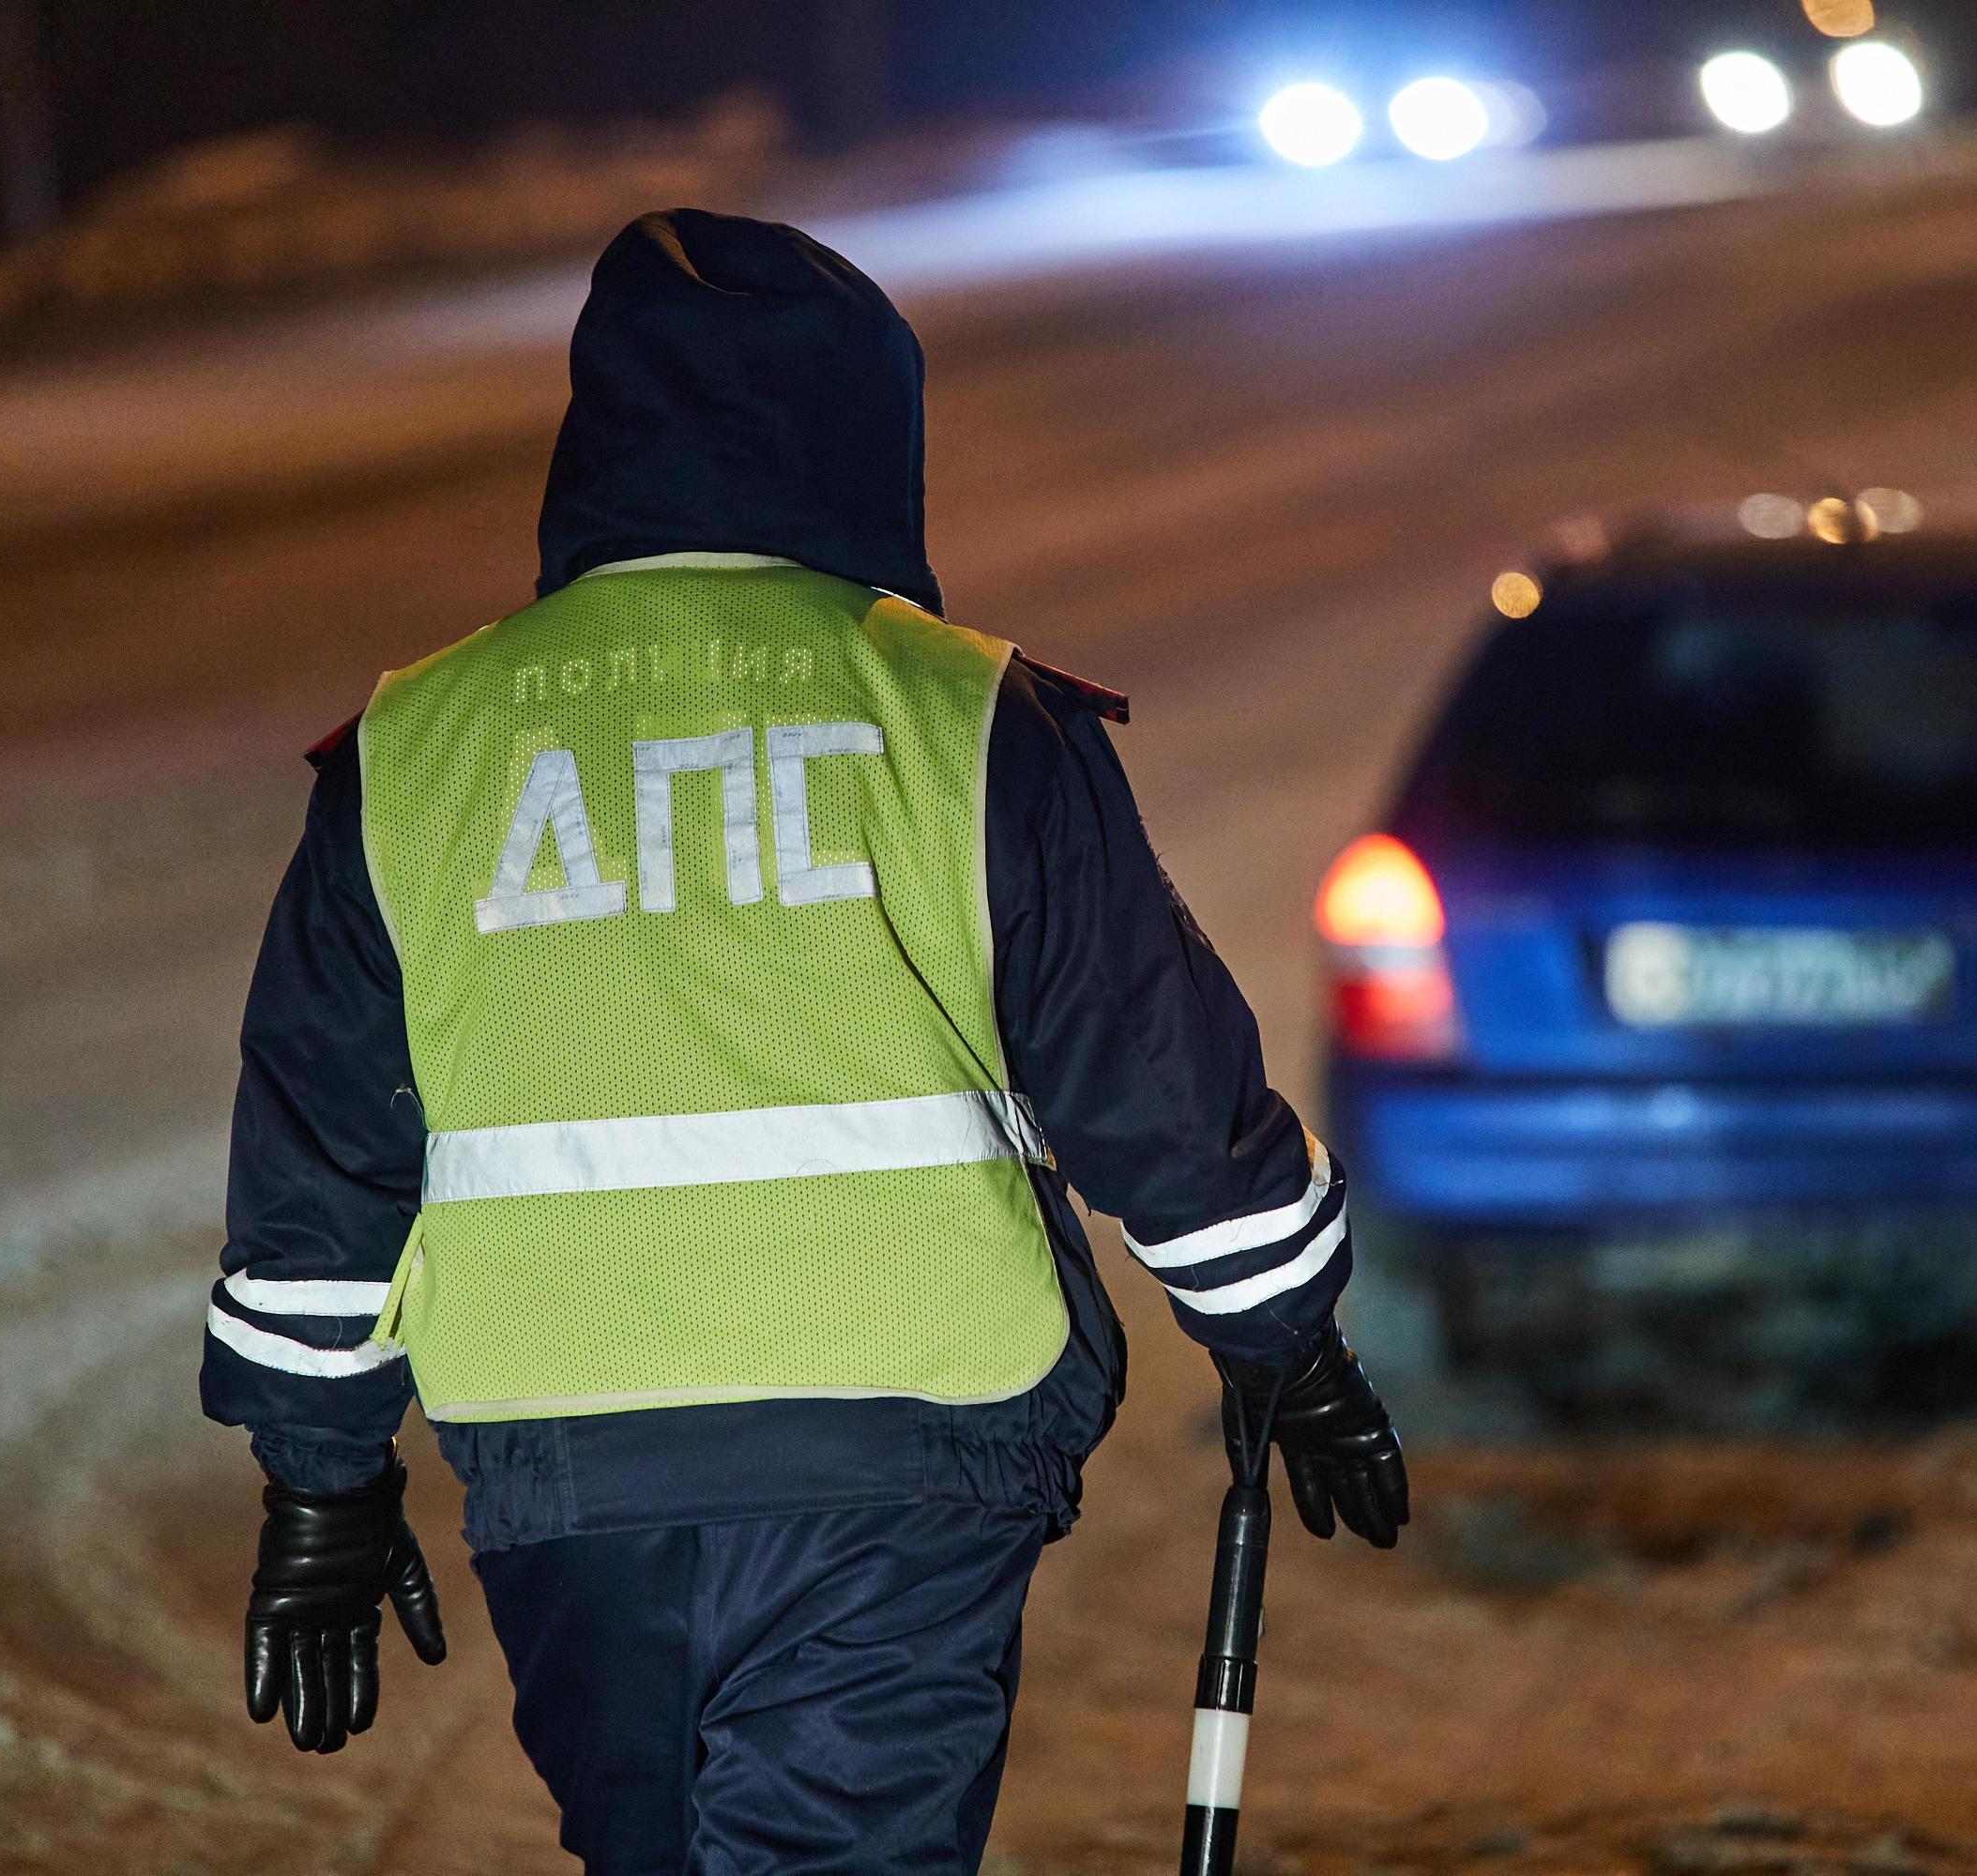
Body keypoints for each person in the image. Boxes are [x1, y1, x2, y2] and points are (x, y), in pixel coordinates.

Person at [198, 207, 1408, 1874]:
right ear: (870, 435)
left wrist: (320, 1475)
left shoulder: (417, 745)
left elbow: (325, 1143)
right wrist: (1288, 1338)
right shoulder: (971, 714)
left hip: (567, 1461)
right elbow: (1152, 1082)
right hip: (906, 1439)